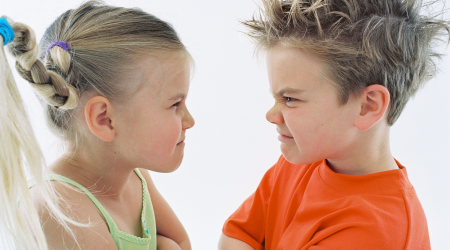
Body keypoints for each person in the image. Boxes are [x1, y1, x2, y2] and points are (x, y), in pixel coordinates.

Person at [219, 0, 449, 249]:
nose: (272, 115)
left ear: (368, 106)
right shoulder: (304, 158)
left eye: (289, 99)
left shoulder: (375, 233)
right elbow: (237, 236)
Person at [0, 1, 193, 249]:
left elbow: (182, 242)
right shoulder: (60, 212)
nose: (190, 121)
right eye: (175, 104)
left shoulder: (134, 176)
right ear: (104, 119)